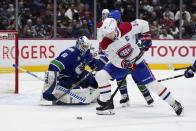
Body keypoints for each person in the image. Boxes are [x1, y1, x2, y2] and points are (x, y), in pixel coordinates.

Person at [95, 18, 183, 116]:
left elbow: (143, 24)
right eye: (106, 34)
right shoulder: (105, 44)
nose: (108, 36)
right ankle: (108, 106)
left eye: (110, 33)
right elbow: (114, 59)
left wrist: (147, 36)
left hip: (138, 63)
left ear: (115, 29)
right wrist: (125, 64)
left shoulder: (126, 27)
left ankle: (174, 103)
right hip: (123, 65)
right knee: (100, 75)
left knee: (152, 85)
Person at [108, 10, 154, 106]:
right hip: (122, 58)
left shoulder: (126, 26)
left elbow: (135, 41)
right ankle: (124, 96)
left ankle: (147, 95)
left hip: (132, 55)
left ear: (119, 19)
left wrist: (140, 49)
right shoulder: (109, 29)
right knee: (120, 77)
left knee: (137, 77)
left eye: (114, 20)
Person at [40, 36, 100, 105]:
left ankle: (94, 94)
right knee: (77, 90)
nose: (85, 48)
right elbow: (54, 65)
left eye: (86, 47)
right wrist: (51, 80)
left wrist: (98, 65)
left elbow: (94, 65)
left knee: (95, 82)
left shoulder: (88, 54)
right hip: (65, 77)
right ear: (78, 44)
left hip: (78, 75)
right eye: (83, 46)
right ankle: (48, 95)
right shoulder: (70, 53)